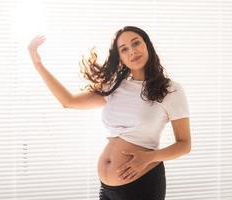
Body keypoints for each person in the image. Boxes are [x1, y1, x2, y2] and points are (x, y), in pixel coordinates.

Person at [28, 26, 191, 200]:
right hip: (106, 189)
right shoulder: (115, 87)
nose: (132, 51)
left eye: (136, 43)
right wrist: (38, 64)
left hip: (142, 184)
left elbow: (184, 144)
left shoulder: (171, 90)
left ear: (147, 45)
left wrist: (149, 158)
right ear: (120, 57)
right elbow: (69, 102)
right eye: (124, 49)